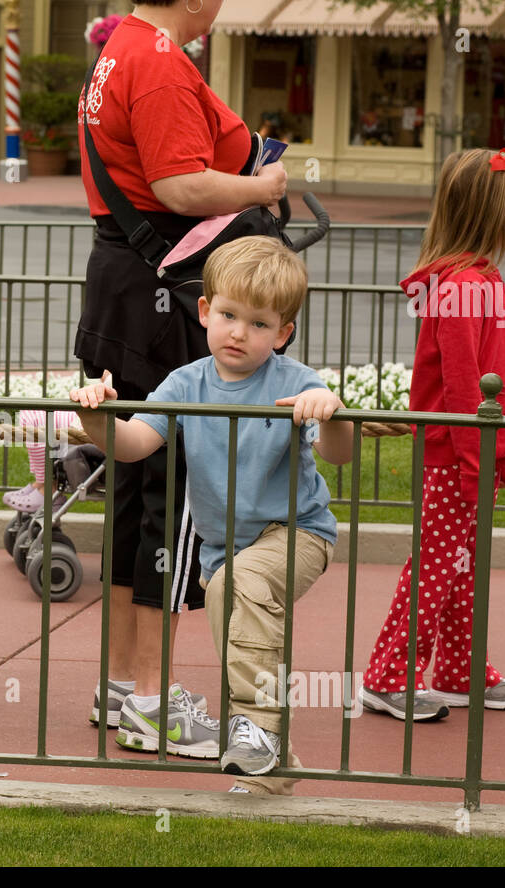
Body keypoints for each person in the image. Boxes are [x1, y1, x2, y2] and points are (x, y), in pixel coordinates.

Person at [75, 0, 287, 738]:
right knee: (174, 504)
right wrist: (262, 190)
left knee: (136, 499)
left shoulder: (124, 48)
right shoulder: (159, 60)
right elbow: (180, 186)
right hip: (163, 294)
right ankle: (153, 700)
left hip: (126, 283)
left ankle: (122, 686)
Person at [70, 236, 349, 794]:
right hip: (226, 553)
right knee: (233, 607)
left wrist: (332, 412)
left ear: (283, 333)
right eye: (227, 315)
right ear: (204, 312)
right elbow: (132, 444)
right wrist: (99, 417)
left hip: (295, 534)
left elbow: (337, 451)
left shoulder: (295, 382)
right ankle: (272, 757)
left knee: (240, 588)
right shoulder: (185, 383)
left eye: (259, 323)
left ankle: (252, 729)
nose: (239, 332)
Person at [360, 148, 505, 722]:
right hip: (457, 450)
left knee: (460, 563)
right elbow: (463, 384)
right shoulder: (464, 285)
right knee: (435, 563)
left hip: (469, 448)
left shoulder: (478, 279)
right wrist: (475, 457)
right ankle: (387, 676)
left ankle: (460, 671)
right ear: (493, 212)